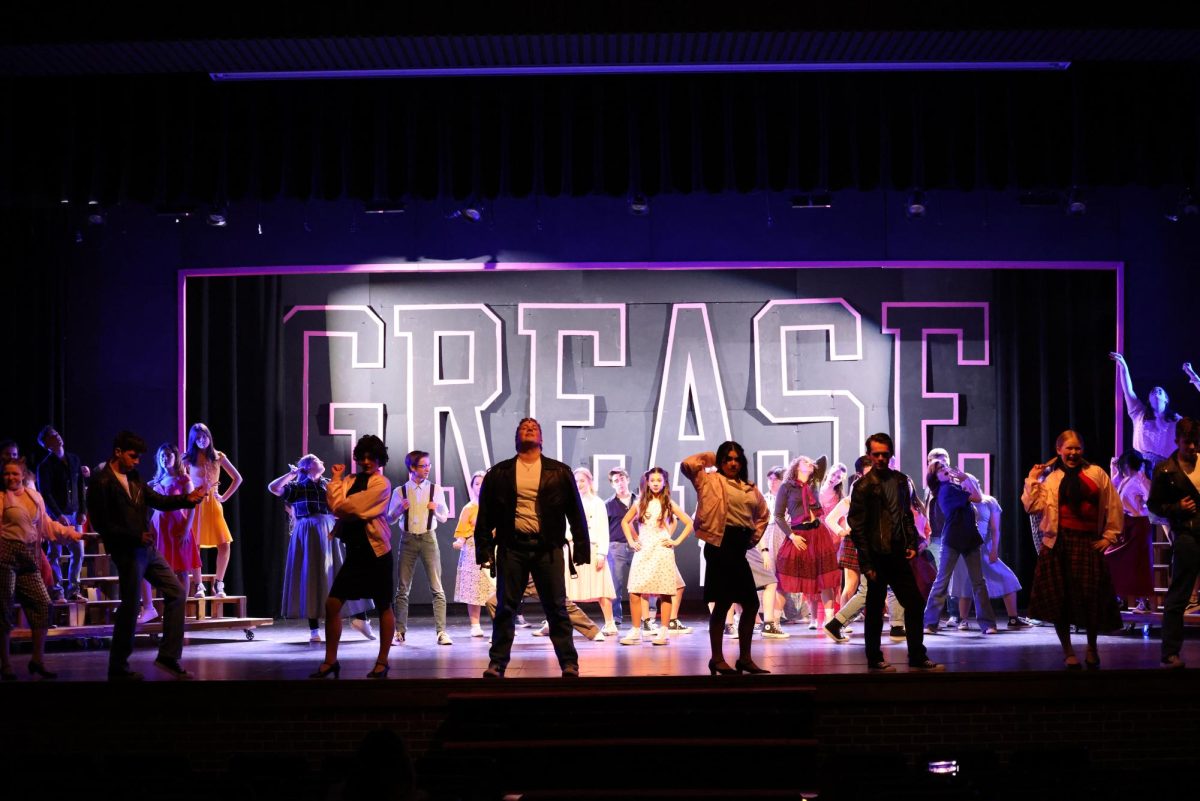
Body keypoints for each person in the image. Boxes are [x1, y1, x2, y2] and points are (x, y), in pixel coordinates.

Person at [474, 418, 589, 678]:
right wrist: (483, 550)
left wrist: (582, 546)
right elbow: (485, 515)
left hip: (547, 548)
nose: (529, 428)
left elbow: (575, 511)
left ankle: (569, 664)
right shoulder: (500, 473)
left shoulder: (558, 472)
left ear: (541, 439)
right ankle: (497, 664)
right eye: (523, 427)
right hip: (512, 548)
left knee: (556, 607)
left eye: (534, 427)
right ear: (516, 438)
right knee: (505, 607)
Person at [86, 432, 204, 680]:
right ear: (118, 452)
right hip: (127, 551)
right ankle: (118, 667)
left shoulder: (134, 476)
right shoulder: (102, 480)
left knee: (177, 592)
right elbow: (101, 523)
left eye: (139, 457)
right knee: (130, 607)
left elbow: (157, 500)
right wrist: (133, 536)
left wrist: (186, 499)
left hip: (146, 549)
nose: (137, 461)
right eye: (133, 456)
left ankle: (168, 657)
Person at [1022, 430, 1123, 669]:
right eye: (1069, 448)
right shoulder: (1051, 479)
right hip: (1059, 544)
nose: (1073, 453)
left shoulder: (1096, 473)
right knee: (1060, 601)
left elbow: (1113, 505)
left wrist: (1110, 537)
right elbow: (1031, 507)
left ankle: (1091, 647)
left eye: (1077, 448)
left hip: (1087, 543)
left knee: (1091, 598)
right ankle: (1067, 651)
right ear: (1059, 451)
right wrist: (1032, 479)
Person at [847, 433, 943, 672]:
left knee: (914, 603)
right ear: (869, 455)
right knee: (875, 608)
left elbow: (906, 515)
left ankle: (917, 656)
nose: (880, 458)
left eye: (884, 454)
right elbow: (857, 528)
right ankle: (874, 658)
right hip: (877, 556)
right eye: (876, 454)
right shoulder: (862, 486)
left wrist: (911, 543)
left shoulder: (901, 481)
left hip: (898, 553)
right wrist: (866, 562)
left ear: (891, 455)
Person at [681, 443, 771, 675]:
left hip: (739, 545)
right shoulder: (709, 480)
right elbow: (688, 464)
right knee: (722, 603)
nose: (733, 463)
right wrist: (710, 457)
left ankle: (745, 658)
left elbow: (763, 514)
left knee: (751, 603)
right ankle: (717, 658)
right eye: (727, 459)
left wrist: (754, 538)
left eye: (737, 459)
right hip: (719, 544)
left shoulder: (749, 488)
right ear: (720, 461)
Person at [311, 435, 395, 679]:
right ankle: (330, 661)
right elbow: (335, 506)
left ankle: (382, 661)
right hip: (356, 553)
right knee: (332, 604)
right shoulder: (348, 480)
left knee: (383, 606)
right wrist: (336, 480)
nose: (367, 462)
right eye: (363, 457)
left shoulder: (382, 484)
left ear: (379, 459)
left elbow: (351, 508)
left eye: (372, 457)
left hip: (377, 553)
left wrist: (343, 506)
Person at [269, 453, 373, 643]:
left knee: (342, 572)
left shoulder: (328, 483)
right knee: (311, 577)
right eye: (318, 460)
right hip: (307, 532)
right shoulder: (297, 487)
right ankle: (314, 630)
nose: (322, 462)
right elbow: (273, 488)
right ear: (308, 466)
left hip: (328, 529)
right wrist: (291, 474)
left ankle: (361, 618)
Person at [1, 457, 83, 679]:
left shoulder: (34, 497)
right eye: (7, 474)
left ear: (23, 475)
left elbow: (46, 525)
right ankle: (5, 664)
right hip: (5, 553)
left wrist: (69, 533)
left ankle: (37, 660)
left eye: (15, 474)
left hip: (29, 554)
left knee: (43, 604)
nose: (11, 477)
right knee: (3, 608)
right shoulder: (1, 498)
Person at [618, 467, 693, 647]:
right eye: (653, 481)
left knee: (664, 592)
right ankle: (636, 630)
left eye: (659, 480)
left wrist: (675, 541)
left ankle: (664, 631)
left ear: (665, 482)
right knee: (635, 590)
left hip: (662, 551)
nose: (656, 484)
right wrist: (632, 541)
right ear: (648, 483)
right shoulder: (640, 503)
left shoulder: (669, 503)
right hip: (643, 550)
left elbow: (689, 522)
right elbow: (624, 522)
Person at [1147, 417, 1200, 669]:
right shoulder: (1165, 470)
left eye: (1196, 443)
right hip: (1187, 536)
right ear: (1177, 440)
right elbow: (1154, 506)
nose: (1192, 448)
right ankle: (1169, 653)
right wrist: (1176, 508)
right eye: (1188, 442)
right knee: (1179, 595)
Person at [922, 461, 998, 636]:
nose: (945, 470)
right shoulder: (946, 489)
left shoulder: (955, 488)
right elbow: (977, 497)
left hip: (969, 537)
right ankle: (930, 622)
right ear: (935, 477)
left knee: (978, 582)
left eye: (945, 467)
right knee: (943, 581)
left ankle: (987, 624)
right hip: (953, 538)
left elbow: (977, 498)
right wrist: (965, 479)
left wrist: (964, 480)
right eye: (940, 469)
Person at [386, 450, 451, 646]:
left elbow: (444, 516)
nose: (427, 469)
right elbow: (389, 518)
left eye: (428, 465)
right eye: (423, 466)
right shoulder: (400, 491)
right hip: (407, 540)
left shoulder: (435, 490)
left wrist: (437, 508)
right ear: (412, 468)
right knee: (402, 588)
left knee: (437, 587)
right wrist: (399, 509)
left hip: (429, 538)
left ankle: (441, 632)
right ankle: (399, 631)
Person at [774, 455, 841, 629]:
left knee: (825, 576)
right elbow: (778, 516)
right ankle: (773, 622)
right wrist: (791, 536)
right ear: (796, 466)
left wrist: (811, 463)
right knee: (784, 577)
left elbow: (824, 460)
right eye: (805, 462)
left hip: (818, 533)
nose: (809, 463)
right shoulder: (786, 487)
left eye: (810, 463)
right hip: (798, 534)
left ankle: (829, 621)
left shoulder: (814, 483)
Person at [181, 423, 242, 598]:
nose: (202, 440)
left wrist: (223, 496)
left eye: (204, 436)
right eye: (198, 438)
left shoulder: (218, 457)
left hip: (213, 505)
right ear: (193, 440)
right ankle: (199, 585)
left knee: (224, 544)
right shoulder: (188, 459)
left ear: (209, 437)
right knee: (195, 544)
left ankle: (219, 584)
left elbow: (237, 478)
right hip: (196, 505)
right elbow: (178, 478)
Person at [949, 494, 1028, 629]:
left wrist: (994, 550)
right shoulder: (960, 501)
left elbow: (995, 529)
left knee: (1007, 578)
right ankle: (963, 620)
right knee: (964, 583)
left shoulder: (989, 502)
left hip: (985, 549)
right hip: (965, 548)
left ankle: (1013, 618)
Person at [559, 467, 617, 635]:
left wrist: (602, 553)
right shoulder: (567, 502)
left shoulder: (597, 502)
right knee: (565, 589)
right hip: (571, 549)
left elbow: (603, 529)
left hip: (592, 548)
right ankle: (557, 622)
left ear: (589, 482)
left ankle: (610, 623)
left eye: (582, 480)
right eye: (575, 481)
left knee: (601, 587)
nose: (579, 484)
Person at [35, 425, 89, 602]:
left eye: (57, 434)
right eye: (52, 437)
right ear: (46, 445)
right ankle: (57, 591)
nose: (57, 438)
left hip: (74, 513)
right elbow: (46, 493)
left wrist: (82, 510)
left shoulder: (73, 459)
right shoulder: (45, 466)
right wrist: (57, 514)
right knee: (54, 554)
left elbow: (80, 485)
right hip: (56, 517)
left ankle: (73, 589)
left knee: (78, 553)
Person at [147, 443, 199, 615]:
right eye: (162, 455)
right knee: (163, 569)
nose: (165, 458)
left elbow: (192, 506)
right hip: (159, 529)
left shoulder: (184, 479)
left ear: (175, 457)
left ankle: (180, 608)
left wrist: (186, 529)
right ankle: (165, 608)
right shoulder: (156, 481)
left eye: (168, 455)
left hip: (177, 527)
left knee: (182, 570)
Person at [1105, 451, 1155, 613]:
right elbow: (1112, 489)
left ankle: (1144, 601)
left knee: (1139, 563)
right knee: (1114, 558)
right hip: (1127, 524)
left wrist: (1140, 508)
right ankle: (1118, 597)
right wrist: (1113, 469)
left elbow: (1151, 498)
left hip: (1138, 524)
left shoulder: (1140, 480)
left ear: (1126, 465)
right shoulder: (1126, 480)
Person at [1110, 353, 1180, 467]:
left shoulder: (1176, 420)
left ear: (1166, 399)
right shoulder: (1139, 414)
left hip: (1166, 469)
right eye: (1152, 391)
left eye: (1160, 390)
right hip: (1140, 467)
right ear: (1148, 399)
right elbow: (1128, 390)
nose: (1156, 390)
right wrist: (1124, 366)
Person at [452, 471, 495, 637]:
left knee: (495, 587)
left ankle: (501, 624)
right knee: (473, 588)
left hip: (493, 549)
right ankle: (475, 624)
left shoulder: (496, 506)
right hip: (473, 550)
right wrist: (460, 541)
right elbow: (462, 531)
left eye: (483, 482)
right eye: (476, 483)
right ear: (472, 487)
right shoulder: (469, 508)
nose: (480, 486)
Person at [604, 467, 636, 631]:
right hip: (616, 546)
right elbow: (603, 528)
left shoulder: (639, 501)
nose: (620, 483)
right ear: (612, 485)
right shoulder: (608, 504)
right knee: (615, 584)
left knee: (643, 582)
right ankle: (615, 618)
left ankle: (648, 616)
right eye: (616, 481)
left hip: (638, 546)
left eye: (622, 479)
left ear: (628, 480)